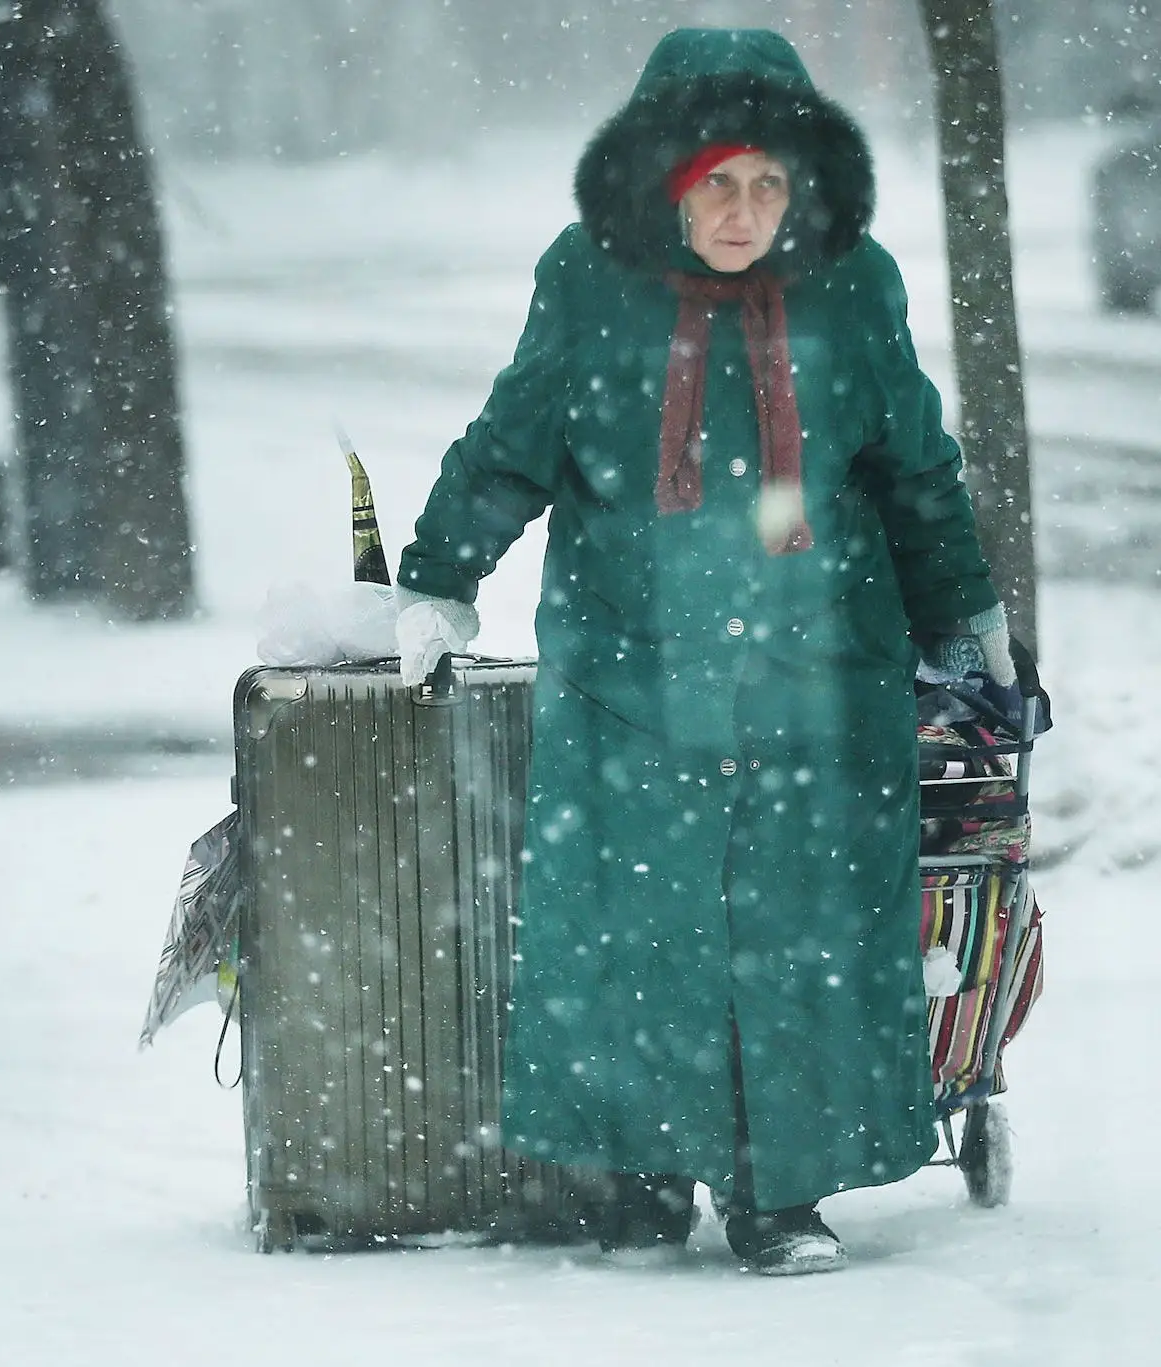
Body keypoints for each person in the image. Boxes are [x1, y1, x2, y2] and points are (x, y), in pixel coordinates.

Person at [392, 28, 1016, 1275]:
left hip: (815, 670)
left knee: (806, 929)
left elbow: (912, 467)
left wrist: (960, 610)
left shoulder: (853, 281)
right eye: (714, 182)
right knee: (639, 924)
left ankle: (781, 1190)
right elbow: (512, 436)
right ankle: (641, 1170)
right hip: (633, 662)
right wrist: (438, 578)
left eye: (767, 184)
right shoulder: (588, 276)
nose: (741, 211)